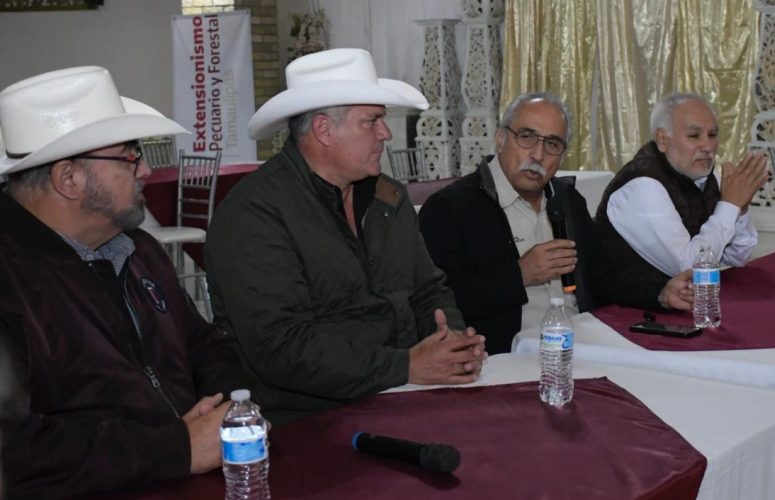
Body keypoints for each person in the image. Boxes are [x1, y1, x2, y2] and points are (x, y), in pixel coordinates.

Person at [0, 66, 251, 498]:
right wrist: (176, 448)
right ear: (68, 179)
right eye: (129, 156)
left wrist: (227, 407)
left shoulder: (139, 250)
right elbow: (15, 449)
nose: (147, 170)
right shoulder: (11, 279)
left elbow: (204, 345)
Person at [204, 48, 486, 424]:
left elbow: (428, 290)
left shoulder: (388, 197)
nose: (386, 134)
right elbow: (281, 348)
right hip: (305, 421)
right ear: (324, 130)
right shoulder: (254, 214)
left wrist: (451, 342)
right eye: (372, 121)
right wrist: (406, 366)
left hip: (402, 399)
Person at [418, 92, 693, 354]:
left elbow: (603, 275)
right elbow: (439, 304)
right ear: (500, 138)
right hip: (505, 358)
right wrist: (519, 275)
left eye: (552, 144)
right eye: (526, 137)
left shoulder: (566, 199)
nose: (538, 155)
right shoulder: (450, 209)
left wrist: (660, 291)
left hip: (583, 345)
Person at [595, 93, 768, 284]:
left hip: (688, 298)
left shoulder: (704, 176)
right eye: (694, 136)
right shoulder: (642, 187)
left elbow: (737, 258)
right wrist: (729, 205)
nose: (708, 146)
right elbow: (691, 269)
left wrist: (740, 208)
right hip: (627, 302)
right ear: (662, 140)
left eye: (712, 135)